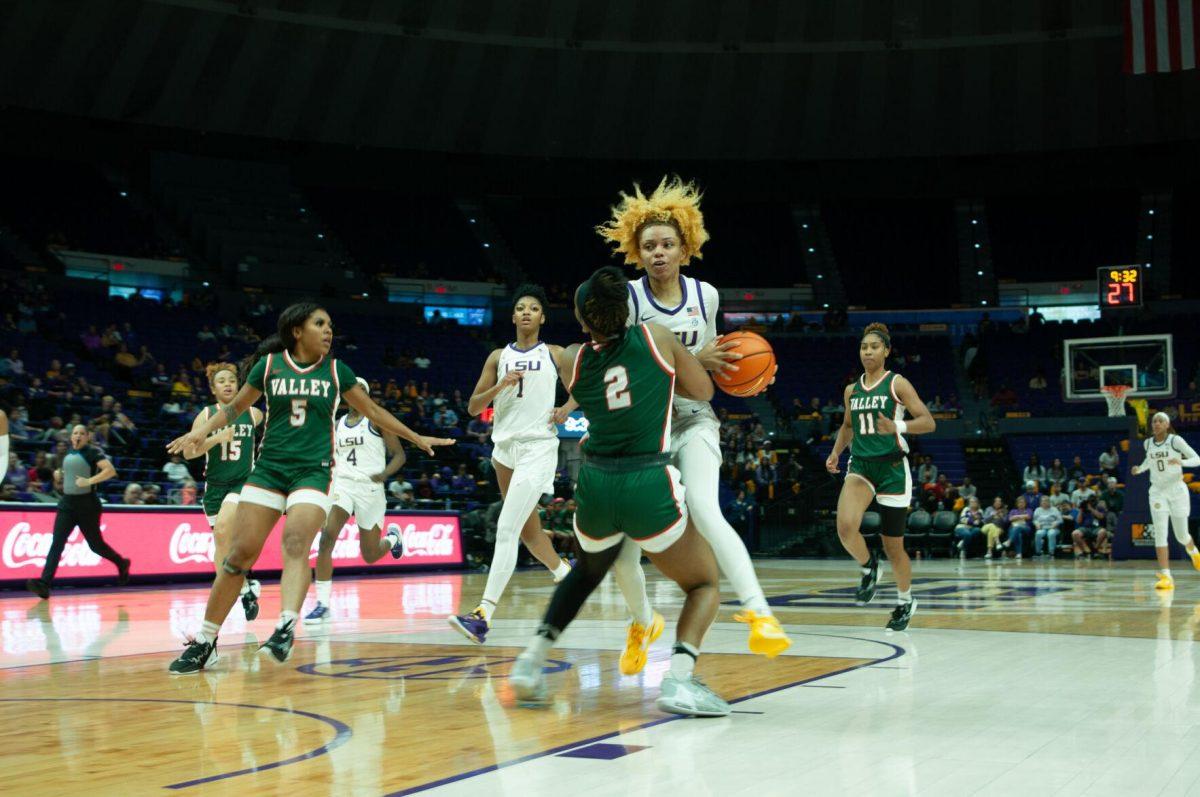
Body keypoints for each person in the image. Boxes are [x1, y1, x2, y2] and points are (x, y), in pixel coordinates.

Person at [164, 301, 454, 673]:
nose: (329, 330)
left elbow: (376, 413)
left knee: (296, 543)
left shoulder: (337, 371)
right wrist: (199, 430)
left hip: (313, 473)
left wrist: (416, 436)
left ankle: (285, 626)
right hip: (268, 470)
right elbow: (235, 408)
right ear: (297, 331)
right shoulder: (269, 367)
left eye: (330, 324)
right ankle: (206, 642)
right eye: (321, 323)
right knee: (237, 556)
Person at [508, 266, 731, 716]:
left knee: (587, 572)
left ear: (582, 319)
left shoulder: (572, 358)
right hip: (647, 479)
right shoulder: (658, 337)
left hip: (594, 485)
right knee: (704, 583)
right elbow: (703, 389)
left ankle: (529, 665)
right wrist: (686, 364)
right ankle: (680, 682)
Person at [593, 176, 789, 665]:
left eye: (667, 244)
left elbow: (715, 361)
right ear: (637, 253)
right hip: (645, 429)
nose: (658, 252)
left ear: (685, 247)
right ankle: (642, 622)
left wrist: (746, 376)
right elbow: (629, 370)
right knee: (623, 546)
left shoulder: (707, 296)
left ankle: (760, 612)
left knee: (705, 506)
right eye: (649, 246)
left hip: (695, 418)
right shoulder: (630, 302)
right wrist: (691, 359)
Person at [448, 285, 575, 644]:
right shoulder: (497, 357)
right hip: (503, 449)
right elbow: (474, 407)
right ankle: (566, 573)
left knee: (506, 527)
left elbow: (585, 387)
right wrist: (500, 385)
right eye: (520, 308)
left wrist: (567, 408)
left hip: (537, 447)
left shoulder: (554, 353)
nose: (525, 313)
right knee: (527, 531)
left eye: (533, 308)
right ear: (514, 315)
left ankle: (482, 614)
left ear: (542, 317)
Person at [825, 322, 936, 630]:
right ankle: (868, 566)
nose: (868, 351)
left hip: (892, 470)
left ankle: (905, 601)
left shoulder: (897, 384)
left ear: (886, 351)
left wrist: (898, 427)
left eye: (874, 347)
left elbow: (928, 422)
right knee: (846, 527)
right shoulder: (852, 389)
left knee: (893, 546)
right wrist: (836, 452)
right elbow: (848, 426)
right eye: (864, 347)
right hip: (861, 466)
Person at [304, 378, 408, 624]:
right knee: (327, 537)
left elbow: (400, 455)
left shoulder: (377, 420)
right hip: (344, 486)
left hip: (370, 490)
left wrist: (384, 474)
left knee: (370, 555)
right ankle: (322, 604)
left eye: (361, 390)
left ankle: (393, 538)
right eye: (352, 391)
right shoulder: (337, 424)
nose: (355, 394)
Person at [182, 362, 266, 620]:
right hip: (214, 489)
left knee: (222, 533)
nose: (228, 384)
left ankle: (225, 599)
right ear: (213, 389)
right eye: (222, 381)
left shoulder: (253, 413)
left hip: (242, 483)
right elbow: (188, 452)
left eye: (232, 379)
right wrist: (216, 438)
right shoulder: (206, 415)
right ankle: (245, 590)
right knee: (224, 546)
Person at [26, 425, 130, 599]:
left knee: (95, 545)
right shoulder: (68, 454)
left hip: (87, 504)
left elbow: (110, 470)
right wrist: (58, 475)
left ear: (87, 437)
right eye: (75, 433)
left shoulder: (93, 452)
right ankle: (44, 584)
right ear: (71, 437)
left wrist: (90, 481)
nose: (78, 435)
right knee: (57, 543)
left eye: (82, 433)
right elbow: (68, 474)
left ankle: (121, 562)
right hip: (67, 503)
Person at [1129, 412, 1200, 590]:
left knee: (1182, 536)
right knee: (1160, 533)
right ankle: (1166, 575)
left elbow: (1197, 459)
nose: (1157, 423)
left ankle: (1194, 552)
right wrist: (1140, 469)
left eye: (1161, 421)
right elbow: (1150, 461)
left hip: (1177, 490)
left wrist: (1182, 462)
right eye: (1154, 421)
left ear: (1167, 425)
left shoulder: (1175, 441)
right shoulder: (1147, 443)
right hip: (1157, 492)